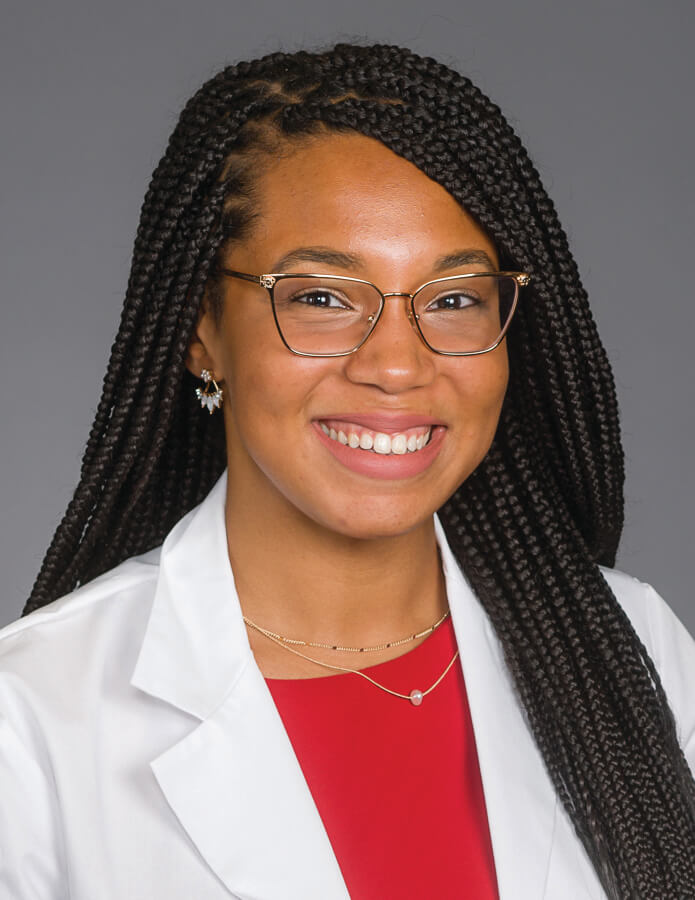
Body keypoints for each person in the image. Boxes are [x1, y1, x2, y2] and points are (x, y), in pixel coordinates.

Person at [0, 42, 693, 900]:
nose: (397, 366)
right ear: (200, 328)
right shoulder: (30, 719)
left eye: (452, 299)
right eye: (321, 299)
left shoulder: (632, 647)